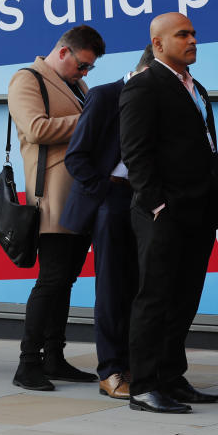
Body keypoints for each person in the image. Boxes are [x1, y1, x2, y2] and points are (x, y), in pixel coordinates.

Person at [119, 12, 218, 414]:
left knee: (184, 298)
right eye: (183, 34)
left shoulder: (195, 87)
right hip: (162, 215)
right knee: (155, 299)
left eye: (195, 33)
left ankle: (170, 376)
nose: (193, 40)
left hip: (200, 212)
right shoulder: (144, 86)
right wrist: (157, 204)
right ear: (159, 44)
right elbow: (135, 152)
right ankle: (144, 386)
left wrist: (214, 200)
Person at [8, 25, 105, 391]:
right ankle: (27, 362)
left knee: (65, 279)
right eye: (82, 65)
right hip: (52, 194)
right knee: (51, 280)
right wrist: (90, 121)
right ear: (63, 52)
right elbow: (35, 129)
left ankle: (54, 356)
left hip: (79, 195)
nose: (84, 74)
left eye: (89, 70)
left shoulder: (76, 85)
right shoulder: (27, 79)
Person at [60, 44, 154, 401]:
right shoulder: (105, 95)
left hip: (144, 199)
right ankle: (110, 370)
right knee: (113, 288)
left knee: (140, 286)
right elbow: (77, 157)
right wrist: (105, 191)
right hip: (111, 200)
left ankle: (133, 364)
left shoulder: (154, 99)